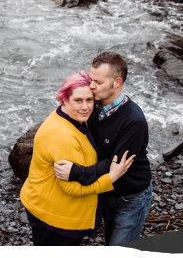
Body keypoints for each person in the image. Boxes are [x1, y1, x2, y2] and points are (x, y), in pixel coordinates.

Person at [21, 71, 135, 246]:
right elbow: (72, 188)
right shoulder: (64, 137)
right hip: (55, 217)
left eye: (89, 100)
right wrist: (111, 177)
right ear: (64, 99)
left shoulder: (69, 118)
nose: (85, 107)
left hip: (46, 205)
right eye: (78, 100)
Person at [54, 52, 152, 245]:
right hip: (106, 190)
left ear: (117, 83)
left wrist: (75, 172)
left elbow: (114, 164)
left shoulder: (134, 120)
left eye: (98, 82)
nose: (91, 86)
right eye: (91, 79)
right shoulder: (94, 106)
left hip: (131, 197)